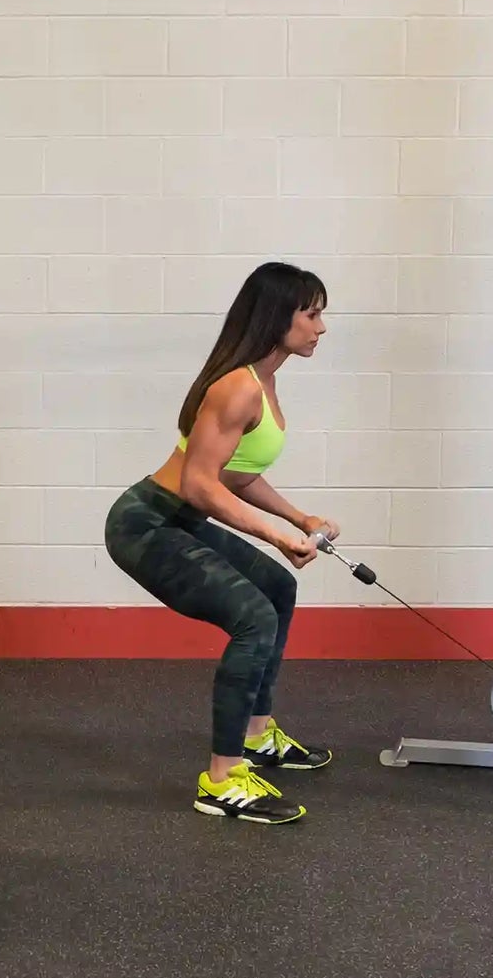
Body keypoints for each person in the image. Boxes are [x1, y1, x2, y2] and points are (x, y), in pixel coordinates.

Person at [103, 261, 338, 825]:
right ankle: (222, 778)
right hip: (147, 524)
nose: (321, 327)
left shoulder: (262, 380)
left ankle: (257, 735)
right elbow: (199, 484)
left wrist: (297, 517)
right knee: (254, 617)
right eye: (312, 313)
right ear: (278, 317)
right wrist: (277, 535)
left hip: (177, 519)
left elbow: (237, 473)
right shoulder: (237, 388)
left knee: (277, 589)